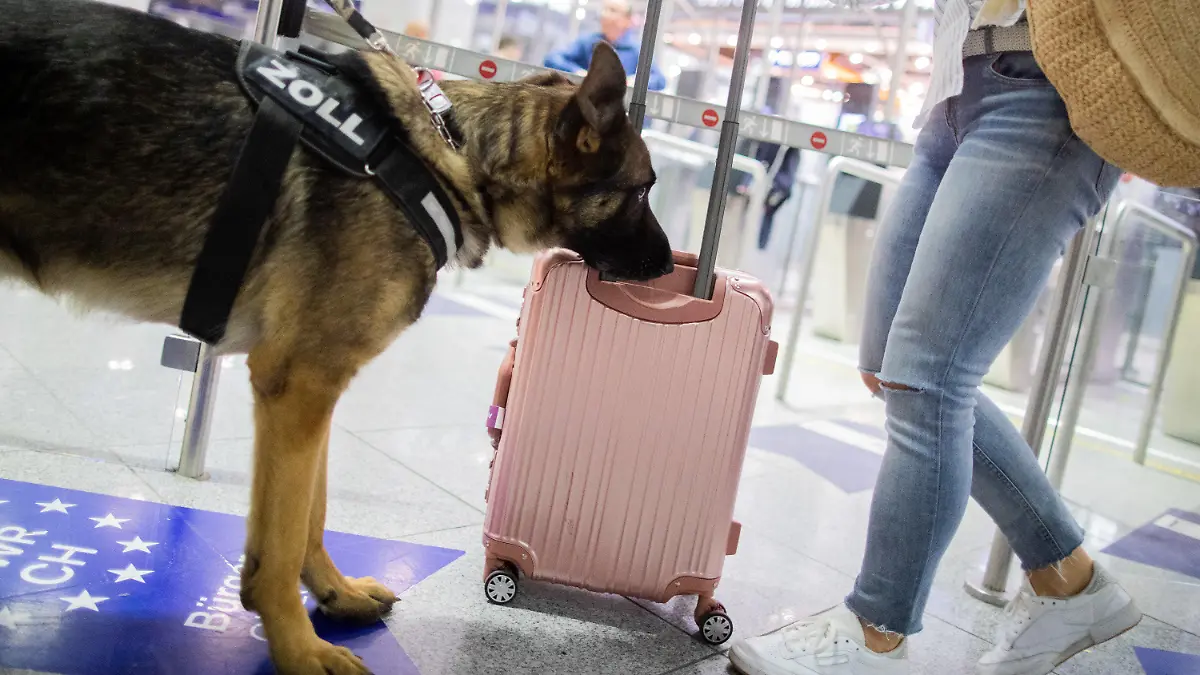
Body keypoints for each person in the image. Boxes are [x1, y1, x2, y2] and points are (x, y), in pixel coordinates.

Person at [728, 3, 1141, 675]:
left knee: (930, 377)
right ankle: (1073, 581)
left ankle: (876, 631)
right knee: (889, 362)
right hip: (957, 87)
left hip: (1050, 88)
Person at [543, 0, 665, 90]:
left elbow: (659, 80)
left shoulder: (636, 50)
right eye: (604, 9)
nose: (604, 14)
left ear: (627, 20)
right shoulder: (587, 41)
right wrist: (579, 73)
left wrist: (632, 81)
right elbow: (552, 58)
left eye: (612, 10)